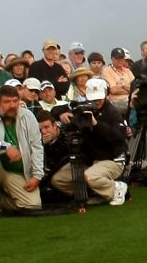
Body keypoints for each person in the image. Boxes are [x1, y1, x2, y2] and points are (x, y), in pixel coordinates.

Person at [49, 78, 129, 206]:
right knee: (58, 180)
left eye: (98, 99)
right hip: (89, 159)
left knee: (90, 176)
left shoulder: (112, 112)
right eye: (93, 99)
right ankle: (93, 192)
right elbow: (54, 110)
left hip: (112, 159)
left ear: (105, 95)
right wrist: (62, 114)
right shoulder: (83, 107)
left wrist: (96, 124)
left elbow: (119, 137)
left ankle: (116, 187)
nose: (95, 102)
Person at [0, 85, 44, 216]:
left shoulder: (28, 117)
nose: (12, 105)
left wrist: (37, 175)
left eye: (15, 101)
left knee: (32, 205)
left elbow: (37, 147)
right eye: (7, 102)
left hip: (16, 172)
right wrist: (5, 148)